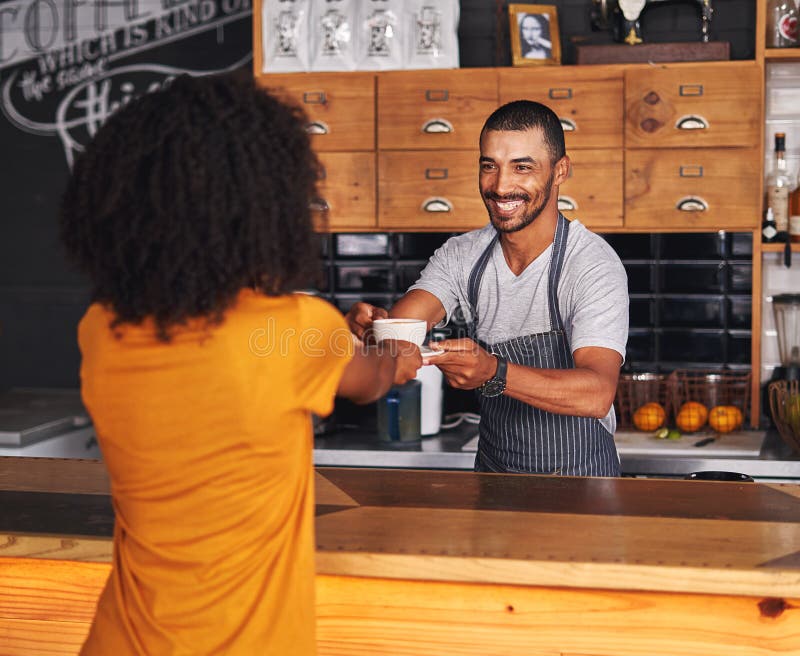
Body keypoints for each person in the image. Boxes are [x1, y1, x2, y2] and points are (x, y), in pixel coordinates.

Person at [59, 72, 421, 655]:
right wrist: (389, 352)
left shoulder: (103, 328)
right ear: (264, 208)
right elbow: (375, 378)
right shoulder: (298, 329)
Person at [347, 100, 629, 477]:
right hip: (495, 484)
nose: (500, 186)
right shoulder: (462, 256)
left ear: (560, 171)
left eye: (522, 167)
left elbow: (596, 393)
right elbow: (403, 333)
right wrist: (371, 333)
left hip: (582, 489)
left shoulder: (591, 264)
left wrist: (494, 373)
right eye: (489, 166)